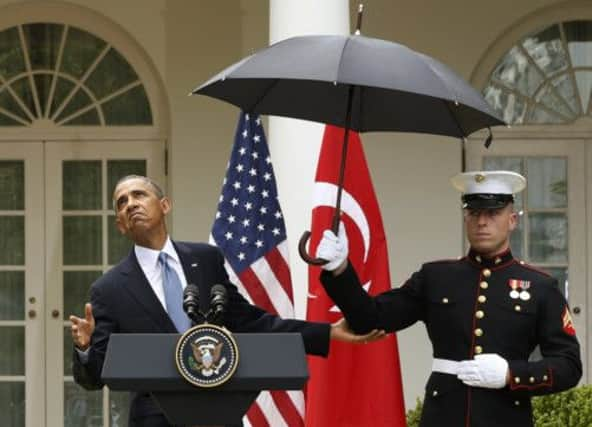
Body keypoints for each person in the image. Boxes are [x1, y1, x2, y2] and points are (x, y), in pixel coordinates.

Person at [69, 175, 382, 427]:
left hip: (218, 410)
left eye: (139, 195)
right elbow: (95, 377)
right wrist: (85, 348)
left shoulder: (205, 260)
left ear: (165, 205)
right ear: (120, 224)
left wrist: (327, 333)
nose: (130, 204)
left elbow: (251, 322)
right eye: (121, 203)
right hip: (155, 418)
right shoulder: (108, 289)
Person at [315, 170, 582, 427]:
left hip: (505, 416)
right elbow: (369, 319)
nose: (482, 222)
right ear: (465, 218)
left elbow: (568, 365)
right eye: (474, 213)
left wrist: (511, 374)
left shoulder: (540, 286)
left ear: (512, 220)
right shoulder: (436, 277)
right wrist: (339, 270)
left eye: (493, 213)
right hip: (443, 416)